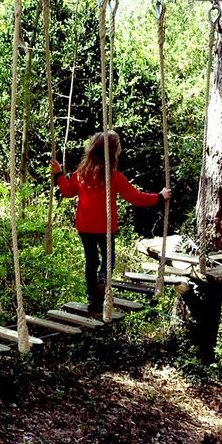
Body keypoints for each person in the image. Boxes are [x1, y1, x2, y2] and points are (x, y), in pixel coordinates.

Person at [50, 131, 171, 313]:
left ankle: (93, 300)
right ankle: (102, 281)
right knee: (108, 260)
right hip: (105, 228)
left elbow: (67, 191)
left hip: (85, 227)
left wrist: (59, 174)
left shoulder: (81, 174)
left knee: (91, 261)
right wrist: (159, 197)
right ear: (113, 153)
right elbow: (136, 197)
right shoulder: (113, 177)